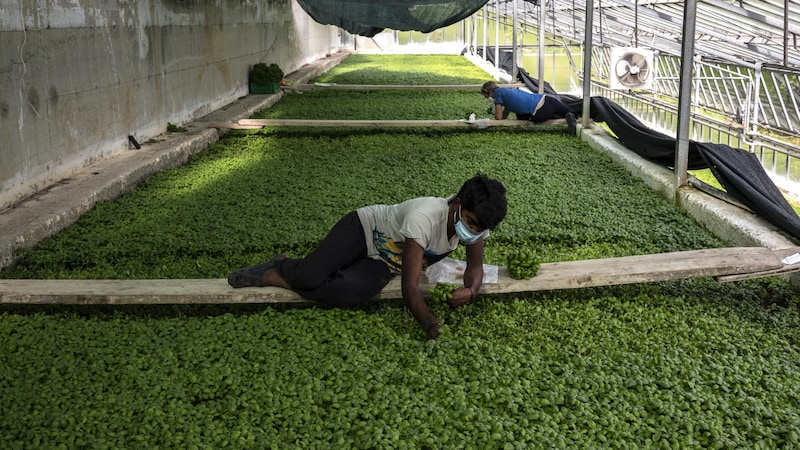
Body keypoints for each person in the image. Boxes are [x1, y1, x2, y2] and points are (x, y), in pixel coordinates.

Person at [228, 173, 508, 340]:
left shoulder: (477, 226)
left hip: (386, 260)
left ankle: (274, 277)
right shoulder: (424, 217)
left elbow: (475, 267)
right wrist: (431, 325)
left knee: (347, 292)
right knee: (310, 276)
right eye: (470, 222)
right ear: (457, 204)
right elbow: (409, 287)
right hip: (363, 229)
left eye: (480, 228)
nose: (472, 232)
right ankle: (282, 265)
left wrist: (471, 291)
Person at [481, 80, 577, 134]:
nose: (490, 99)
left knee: (521, 115)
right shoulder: (506, 91)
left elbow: (498, 118)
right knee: (568, 110)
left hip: (539, 114)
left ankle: (559, 115)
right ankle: (569, 114)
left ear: (490, 92)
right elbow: (503, 117)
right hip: (545, 101)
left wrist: (495, 109)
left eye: (488, 97)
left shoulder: (498, 94)